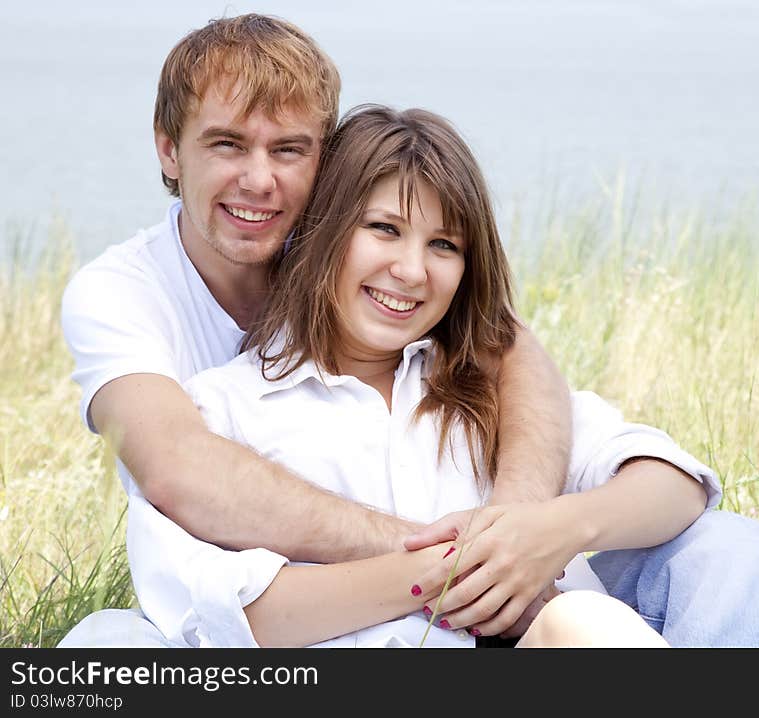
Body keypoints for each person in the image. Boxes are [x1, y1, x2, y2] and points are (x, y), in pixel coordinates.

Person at [69, 104, 723, 648]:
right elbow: (242, 613)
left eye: (444, 245)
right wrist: (453, 573)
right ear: (321, 232)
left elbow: (675, 487)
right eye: (385, 229)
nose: (412, 271)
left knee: (602, 613)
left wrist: (545, 532)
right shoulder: (229, 409)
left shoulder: (480, 389)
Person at [58, 15, 577, 645]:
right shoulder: (121, 292)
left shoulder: (360, 263)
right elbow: (177, 471)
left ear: (325, 162)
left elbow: (507, 345)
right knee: (102, 649)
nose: (258, 180)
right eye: (226, 144)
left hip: (411, 612)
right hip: (263, 596)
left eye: (288, 150)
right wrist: (447, 559)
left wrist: (513, 527)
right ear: (169, 148)